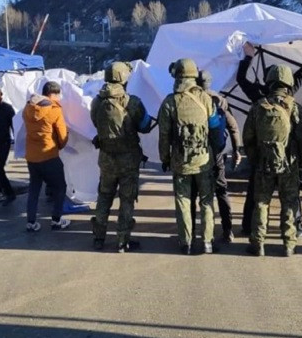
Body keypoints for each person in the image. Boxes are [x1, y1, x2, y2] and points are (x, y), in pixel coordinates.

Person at [236, 37, 302, 238]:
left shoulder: (258, 97)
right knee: (291, 196)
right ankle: (298, 229)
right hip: (288, 158)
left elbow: (241, 79)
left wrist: (248, 57)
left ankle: (248, 227)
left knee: (256, 195)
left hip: (263, 157)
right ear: (286, 80)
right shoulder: (290, 99)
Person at [158, 58, 221, 255]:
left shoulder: (170, 102)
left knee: (183, 201)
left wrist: (165, 159)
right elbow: (215, 129)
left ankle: (185, 242)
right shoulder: (205, 98)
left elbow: (164, 136)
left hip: (180, 161)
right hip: (204, 160)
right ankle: (208, 242)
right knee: (207, 201)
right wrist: (216, 153)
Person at [90, 62, 154, 252]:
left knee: (104, 196)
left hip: (106, 158)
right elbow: (144, 126)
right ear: (124, 78)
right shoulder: (131, 102)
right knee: (127, 200)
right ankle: (122, 240)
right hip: (128, 159)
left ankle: (98, 238)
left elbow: (96, 123)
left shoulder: (97, 101)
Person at [243, 65, 302, 257]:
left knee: (261, 203)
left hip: (264, 163)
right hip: (289, 164)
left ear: (269, 82)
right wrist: (301, 161)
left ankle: (258, 243)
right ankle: (288, 244)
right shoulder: (295, 107)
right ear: (288, 83)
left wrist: (256, 158)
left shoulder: (258, 107)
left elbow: (248, 138)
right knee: (289, 202)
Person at [188, 70, 241, 243]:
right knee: (221, 191)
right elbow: (233, 127)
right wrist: (236, 150)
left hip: (196, 154)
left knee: (194, 194)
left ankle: (192, 233)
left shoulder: (189, 99)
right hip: (217, 154)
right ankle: (227, 231)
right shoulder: (220, 100)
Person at [23, 81, 71, 232]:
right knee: (60, 187)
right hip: (49, 155)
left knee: (34, 189)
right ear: (53, 95)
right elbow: (62, 135)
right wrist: (60, 145)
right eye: (58, 95)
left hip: (32, 157)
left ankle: (31, 222)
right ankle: (56, 220)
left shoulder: (28, 107)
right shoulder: (55, 110)